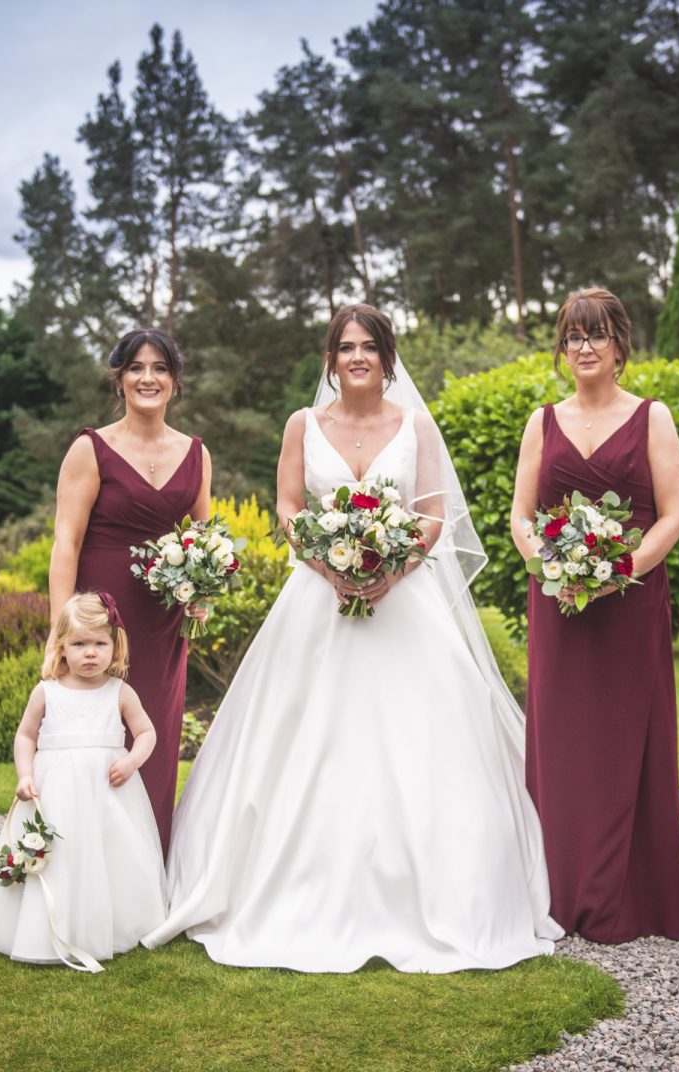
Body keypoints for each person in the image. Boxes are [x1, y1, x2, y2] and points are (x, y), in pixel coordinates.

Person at [143, 304, 562, 972]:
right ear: (330, 359)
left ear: (387, 357)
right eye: (346, 347)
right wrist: (328, 563)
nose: (357, 357)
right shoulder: (302, 425)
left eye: (369, 346)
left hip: (405, 601)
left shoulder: (414, 424)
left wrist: (390, 570)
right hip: (317, 599)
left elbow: (431, 513)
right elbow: (288, 507)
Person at [510, 286, 679, 943]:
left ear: (621, 344)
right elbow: (520, 516)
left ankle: (631, 895)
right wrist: (548, 564)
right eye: (573, 336)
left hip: (630, 606)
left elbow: (673, 513)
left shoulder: (651, 417)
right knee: (562, 745)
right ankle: (559, 891)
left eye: (596, 334)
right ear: (561, 348)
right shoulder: (542, 422)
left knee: (629, 740)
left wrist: (621, 569)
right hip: (561, 612)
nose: (584, 347)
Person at [49, 328, 211, 855]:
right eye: (136, 368)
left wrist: (202, 590)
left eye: (160, 368)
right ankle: (88, 867)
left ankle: (150, 870)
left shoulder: (196, 454)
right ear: (118, 379)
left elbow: (202, 540)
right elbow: (65, 543)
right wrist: (62, 635)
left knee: (154, 740)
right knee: (96, 740)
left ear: (175, 381)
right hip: (100, 622)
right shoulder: (90, 448)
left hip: (163, 626)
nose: (148, 377)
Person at [0, 593, 166, 970]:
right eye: (79, 644)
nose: (89, 653)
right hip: (55, 791)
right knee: (59, 857)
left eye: (99, 643)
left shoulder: (120, 692)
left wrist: (130, 761)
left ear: (115, 646)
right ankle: (42, 929)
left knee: (107, 856)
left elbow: (146, 733)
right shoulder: (47, 691)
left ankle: (109, 927)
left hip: (106, 795)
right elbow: (26, 735)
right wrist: (25, 774)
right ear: (61, 648)